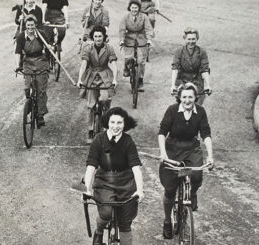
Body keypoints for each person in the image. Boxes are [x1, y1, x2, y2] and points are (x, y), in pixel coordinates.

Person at [157, 82, 214, 239]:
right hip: (172, 149)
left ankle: (191, 193)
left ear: (196, 97)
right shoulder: (172, 110)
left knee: (196, 176)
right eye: (184, 97)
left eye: (190, 97)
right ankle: (168, 221)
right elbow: (162, 133)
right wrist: (164, 154)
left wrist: (210, 156)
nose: (187, 100)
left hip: (191, 149)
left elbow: (206, 134)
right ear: (179, 98)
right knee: (169, 189)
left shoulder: (200, 112)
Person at [83, 107, 144, 245]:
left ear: (125, 124)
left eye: (119, 123)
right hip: (104, 181)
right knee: (105, 212)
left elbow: (135, 167)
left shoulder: (128, 141)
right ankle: (99, 231)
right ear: (107, 123)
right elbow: (91, 165)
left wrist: (140, 190)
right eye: (112, 122)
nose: (115, 126)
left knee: (125, 221)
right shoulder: (99, 140)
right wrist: (86, 187)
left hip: (126, 182)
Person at [77, 26, 118, 144]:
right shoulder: (88, 48)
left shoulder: (109, 48)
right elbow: (84, 64)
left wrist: (115, 79)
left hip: (105, 75)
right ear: (92, 37)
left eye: (100, 36)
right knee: (90, 105)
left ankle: (106, 125)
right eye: (95, 36)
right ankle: (90, 130)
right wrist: (80, 79)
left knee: (105, 100)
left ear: (104, 37)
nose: (98, 39)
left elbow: (113, 64)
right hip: (91, 76)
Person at [15, 15, 51, 127]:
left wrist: (48, 63)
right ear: (26, 26)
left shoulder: (41, 34)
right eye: (28, 25)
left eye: (32, 25)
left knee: (41, 91)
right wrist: (17, 65)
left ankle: (40, 115)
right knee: (27, 88)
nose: (30, 27)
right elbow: (18, 52)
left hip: (41, 61)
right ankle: (30, 105)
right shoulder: (21, 36)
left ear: (35, 25)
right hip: (28, 62)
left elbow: (48, 49)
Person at [171, 27, 212, 105]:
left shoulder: (202, 52)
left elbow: (205, 69)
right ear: (185, 39)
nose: (191, 42)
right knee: (182, 105)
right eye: (189, 39)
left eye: (193, 39)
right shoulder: (179, 52)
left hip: (197, 81)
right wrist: (173, 85)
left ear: (197, 39)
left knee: (197, 106)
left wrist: (207, 85)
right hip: (182, 81)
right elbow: (175, 68)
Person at [119, 0, 153, 92]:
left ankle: (140, 80)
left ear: (139, 8)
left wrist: (149, 39)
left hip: (141, 39)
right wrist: (122, 40)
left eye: (136, 8)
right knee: (128, 57)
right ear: (129, 8)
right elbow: (122, 29)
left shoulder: (144, 17)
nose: (134, 9)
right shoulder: (125, 17)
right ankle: (126, 68)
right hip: (129, 39)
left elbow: (148, 29)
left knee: (141, 61)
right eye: (132, 7)